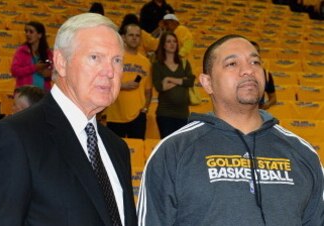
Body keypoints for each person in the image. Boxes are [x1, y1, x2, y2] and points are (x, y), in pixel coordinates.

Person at [137, 34, 324, 225]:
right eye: (232, 64)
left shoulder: (302, 153)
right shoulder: (173, 151)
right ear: (207, 83)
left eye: (255, 62)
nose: (248, 70)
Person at [0, 13, 137, 226]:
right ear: (61, 62)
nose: (110, 71)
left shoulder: (116, 147)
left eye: (117, 60)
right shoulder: (15, 138)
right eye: (95, 57)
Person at [106, 23, 152, 139]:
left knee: (137, 153)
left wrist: (145, 108)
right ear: (123, 37)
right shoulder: (114, 58)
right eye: (131, 35)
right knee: (115, 154)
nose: (134, 38)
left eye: (137, 35)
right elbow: (104, 82)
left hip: (138, 116)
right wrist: (123, 85)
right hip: (116, 115)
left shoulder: (146, 62)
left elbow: (148, 90)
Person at [152, 31, 195, 138]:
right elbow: (160, 87)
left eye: (174, 41)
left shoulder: (184, 63)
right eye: (169, 41)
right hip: (165, 114)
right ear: (163, 45)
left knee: (182, 149)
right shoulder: (157, 65)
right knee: (168, 148)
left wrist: (169, 79)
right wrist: (181, 81)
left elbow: (190, 81)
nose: (172, 44)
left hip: (183, 114)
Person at [11, 21, 53, 92]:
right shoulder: (21, 51)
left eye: (31, 32)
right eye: (26, 31)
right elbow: (15, 71)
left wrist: (49, 74)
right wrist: (35, 67)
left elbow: (55, 73)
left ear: (39, 35)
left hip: (44, 93)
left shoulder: (48, 53)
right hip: (25, 93)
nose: (27, 34)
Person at [251, 41, 277, 110]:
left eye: (256, 51)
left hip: (256, 116)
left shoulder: (266, 75)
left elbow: (273, 99)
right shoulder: (235, 73)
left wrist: (266, 106)